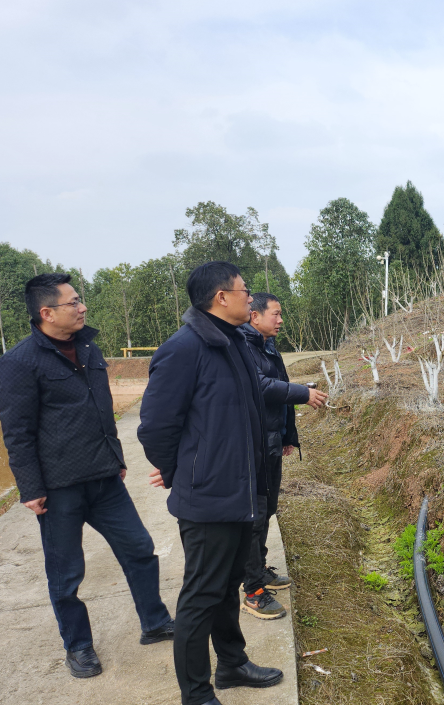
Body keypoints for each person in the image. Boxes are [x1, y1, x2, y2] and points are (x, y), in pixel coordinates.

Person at [0, 272, 173, 679]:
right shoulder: (19, 362)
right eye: (73, 302)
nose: (82, 307)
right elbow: (17, 432)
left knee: (139, 548)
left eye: (80, 300)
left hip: (104, 478)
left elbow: (101, 407)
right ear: (46, 312)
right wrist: (30, 487)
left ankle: (155, 621)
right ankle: (78, 647)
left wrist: (116, 456)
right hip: (59, 488)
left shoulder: (89, 348)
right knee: (66, 574)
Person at [138, 262, 282, 705]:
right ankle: (196, 693)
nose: (250, 297)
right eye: (244, 290)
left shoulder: (234, 341)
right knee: (201, 596)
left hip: (240, 492)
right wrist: (183, 471)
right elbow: (155, 427)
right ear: (221, 297)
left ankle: (232, 664)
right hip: (208, 498)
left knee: (226, 585)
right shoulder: (184, 349)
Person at [239, 293, 328, 620]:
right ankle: (252, 588)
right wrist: (303, 393)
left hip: (271, 440)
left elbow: (280, 387)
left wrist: (288, 436)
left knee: (268, 508)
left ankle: (259, 568)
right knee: (254, 513)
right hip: (252, 443)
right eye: (275, 314)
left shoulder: (268, 345)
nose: (280, 320)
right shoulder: (244, 346)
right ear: (255, 316)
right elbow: (261, 387)